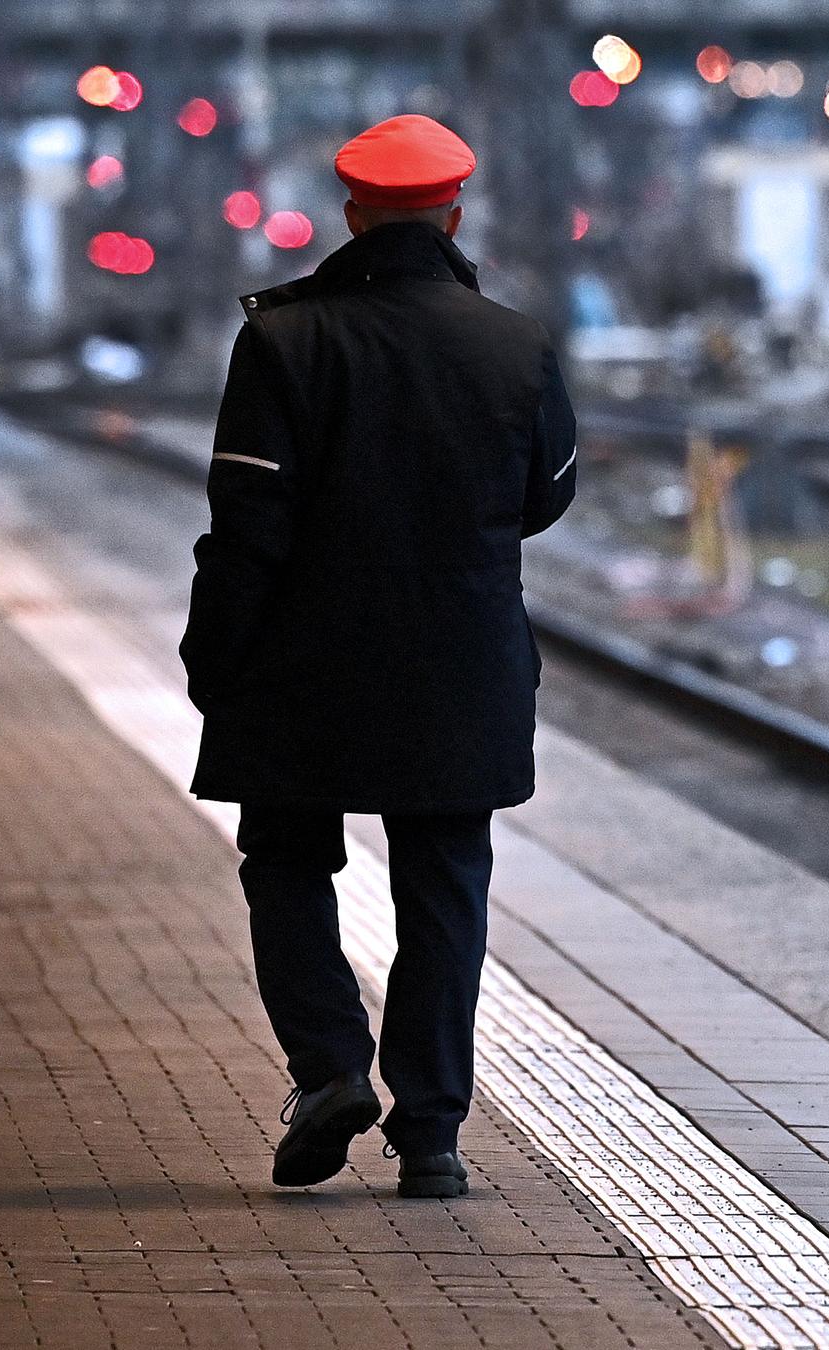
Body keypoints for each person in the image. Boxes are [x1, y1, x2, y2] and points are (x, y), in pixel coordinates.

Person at [179, 114, 577, 1198]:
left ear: (351, 215)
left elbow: (245, 524)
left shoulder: (283, 341)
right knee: (446, 885)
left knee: (289, 862)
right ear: (454, 215)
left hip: (301, 664)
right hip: (462, 664)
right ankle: (434, 1135)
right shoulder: (517, 344)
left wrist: (211, 661)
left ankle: (329, 1072)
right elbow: (543, 499)